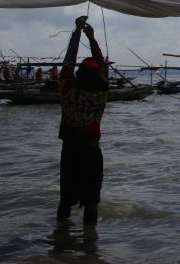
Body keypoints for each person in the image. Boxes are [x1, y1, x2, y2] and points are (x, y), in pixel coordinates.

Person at [57, 16, 109, 225]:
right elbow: (103, 65)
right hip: (91, 152)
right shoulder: (102, 93)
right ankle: (90, 248)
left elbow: (69, 60)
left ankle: (60, 242)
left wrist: (77, 33)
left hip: (69, 152)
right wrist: (92, 38)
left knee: (65, 201)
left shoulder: (67, 90)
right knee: (91, 203)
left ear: (79, 75)